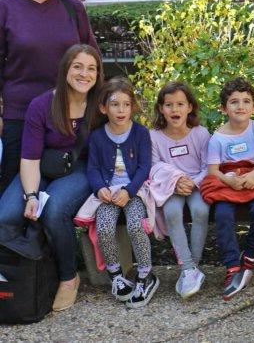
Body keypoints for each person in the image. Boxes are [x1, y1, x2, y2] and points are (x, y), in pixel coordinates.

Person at [0, 44, 103, 311]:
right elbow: (30, 158)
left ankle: (68, 278)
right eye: (77, 66)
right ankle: (27, 275)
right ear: (65, 69)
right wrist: (31, 195)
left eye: (91, 68)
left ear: (98, 74)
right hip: (42, 166)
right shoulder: (42, 104)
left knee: (55, 210)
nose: (84, 74)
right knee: (6, 214)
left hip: (82, 168)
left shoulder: (101, 104)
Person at [0, 0, 99, 191]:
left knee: (57, 189)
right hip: (20, 114)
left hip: (68, 114)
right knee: (13, 191)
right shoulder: (6, 8)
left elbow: (92, 56)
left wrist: (100, 103)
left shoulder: (73, 7)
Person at [201, 77, 254, 301]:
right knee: (223, 214)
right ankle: (232, 265)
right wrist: (229, 180)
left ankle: (250, 255)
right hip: (228, 183)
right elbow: (213, 171)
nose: (240, 106)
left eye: (246, 101)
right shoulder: (217, 138)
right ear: (224, 108)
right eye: (234, 102)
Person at [85, 77, 158, 308]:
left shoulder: (140, 133)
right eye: (115, 104)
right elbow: (93, 168)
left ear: (132, 107)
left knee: (136, 225)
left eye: (126, 104)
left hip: (134, 192)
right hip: (108, 192)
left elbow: (144, 166)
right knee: (104, 226)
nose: (121, 110)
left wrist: (129, 190)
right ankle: (116, 275)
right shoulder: (97, 136)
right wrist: (100, 188)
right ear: (103, 108)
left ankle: (146, 275)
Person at [149, 81, 210, 299]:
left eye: (180, 104)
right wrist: (176, 181)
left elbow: (207, 166)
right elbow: (154, 167)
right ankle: (187, 269)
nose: (175, 110)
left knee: (201, 211)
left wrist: (192, 183)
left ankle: (194, 266)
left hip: (196, 184)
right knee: (172, 212)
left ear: (190, 107)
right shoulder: (154, 137)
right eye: (169, 105)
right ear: (160, 108)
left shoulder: (200, 134)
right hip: (171, 187)